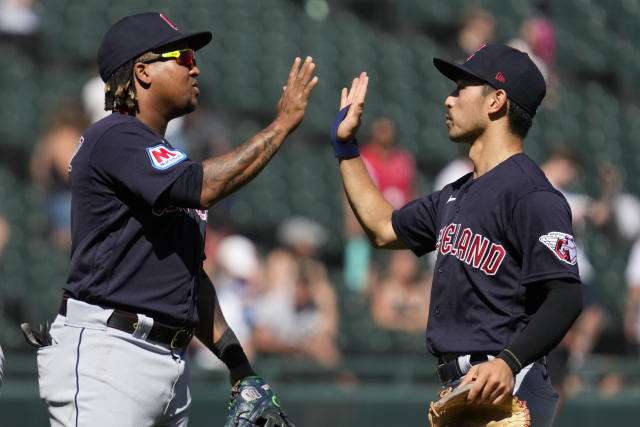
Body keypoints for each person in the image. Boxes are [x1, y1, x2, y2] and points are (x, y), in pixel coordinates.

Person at [30, 12, 317, 427]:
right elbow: (204, 186)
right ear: (143, 72)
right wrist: (282, 125)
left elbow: (189, 280)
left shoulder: (159, 157)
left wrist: (239, 367)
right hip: (109, 359)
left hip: (167, 364)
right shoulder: (114, 135)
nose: (194, 65)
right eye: (182, 57)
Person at [330, 44, 582, 426]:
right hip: (462, 386)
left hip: (504, 385)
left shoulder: (532, 194)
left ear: (496, 100)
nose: (448, 101)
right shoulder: (456, 192)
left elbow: (565, 296)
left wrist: (509, 363)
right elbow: (383, 229)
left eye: (460, 88)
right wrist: (347, 148)